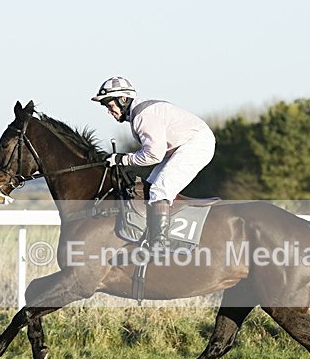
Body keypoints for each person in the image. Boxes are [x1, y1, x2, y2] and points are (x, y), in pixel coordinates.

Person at [91, 76, 216, 249]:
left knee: (160, 189)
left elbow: (153, 155)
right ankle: (153, 234)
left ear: (123, 100)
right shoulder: (139, 114)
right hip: (181, 146)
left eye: (109, 105)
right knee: (149, 187)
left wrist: (122, 159)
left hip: (195, 143)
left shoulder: (142, 116)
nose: (109, 111)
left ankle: (159, 243)